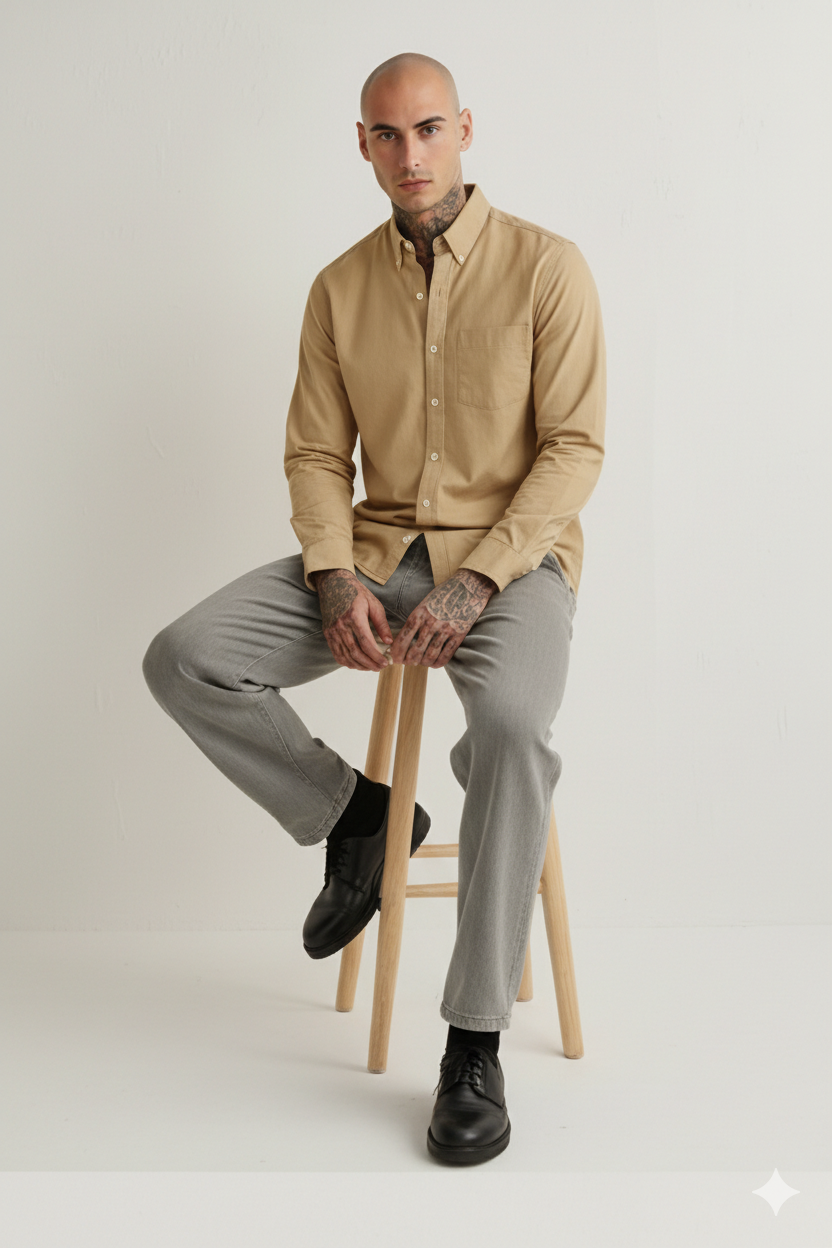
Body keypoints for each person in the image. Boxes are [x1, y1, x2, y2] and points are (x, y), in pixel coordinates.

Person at [142, 51, 606, 1166]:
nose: (410, 154)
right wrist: (330, 571)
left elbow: (574, 448)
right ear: (362, 144)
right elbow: (315, 453)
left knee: (509, 730)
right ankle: (358, 814)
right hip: (374, 556)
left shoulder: (548, 268)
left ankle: (473, 1040)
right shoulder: (338, 289)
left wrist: (481, 576)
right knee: (186, 655)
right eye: (388, 135)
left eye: (429, 129)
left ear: (465, 131)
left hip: (512, 567)